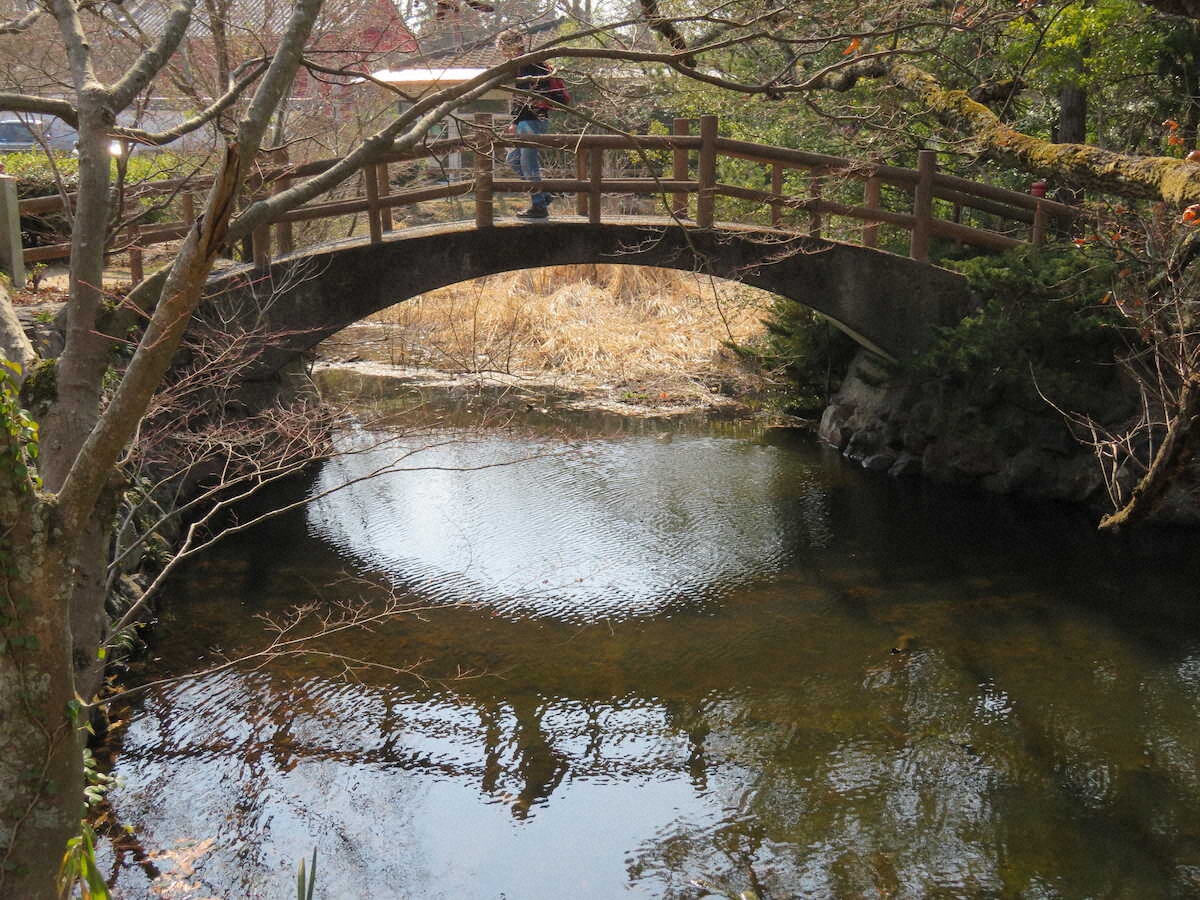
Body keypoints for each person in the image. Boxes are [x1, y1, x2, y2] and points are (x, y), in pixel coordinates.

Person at [498, 29, 555, 219]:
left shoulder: (531, 62)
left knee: (527, 162)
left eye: (503, 49)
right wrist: (515, 121)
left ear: (510, 46)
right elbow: (519, 98)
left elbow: (535, 93)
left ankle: (538, 205)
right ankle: (543, 195)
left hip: (534, 119)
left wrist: (523, 117)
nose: (503, 54)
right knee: (514, 159)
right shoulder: (520, 66)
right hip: (525, 120)